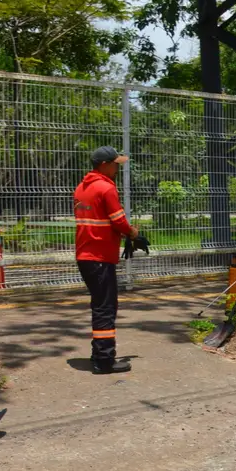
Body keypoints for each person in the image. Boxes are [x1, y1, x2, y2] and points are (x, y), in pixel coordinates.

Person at [73, 146, 138, 374]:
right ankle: (104, 360)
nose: (117, 167)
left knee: (100, 305)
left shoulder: (82, 187)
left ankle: (98, 353)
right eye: (115, 163)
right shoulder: (106, 188)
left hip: (85, 256)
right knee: (105, 308)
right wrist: (132, 233)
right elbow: (118, 221)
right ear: (104, 165)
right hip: (100, 258)